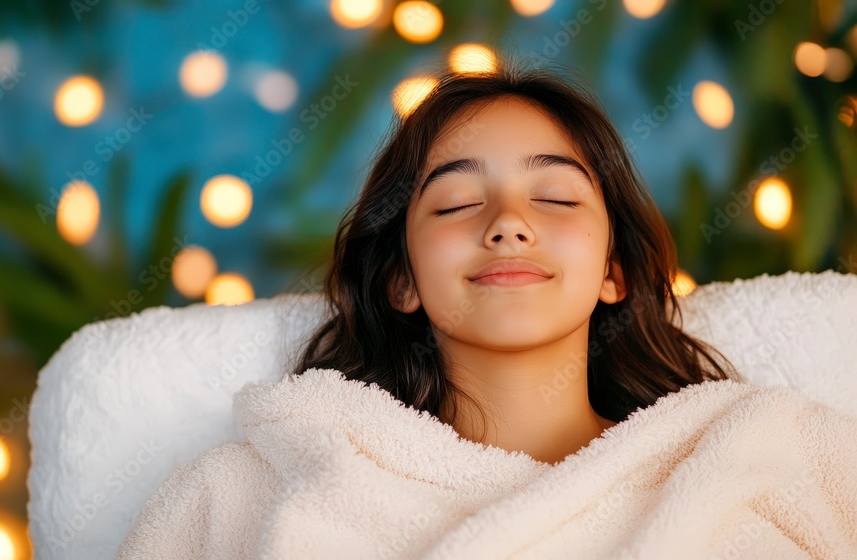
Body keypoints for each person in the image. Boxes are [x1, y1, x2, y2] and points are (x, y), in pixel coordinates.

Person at [115, 56, 857, 559]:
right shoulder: (250, 490)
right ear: (400, 280)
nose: (507, 222)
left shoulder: (774, 455)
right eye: (458, 202)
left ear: (616, 271)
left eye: (557, 197)